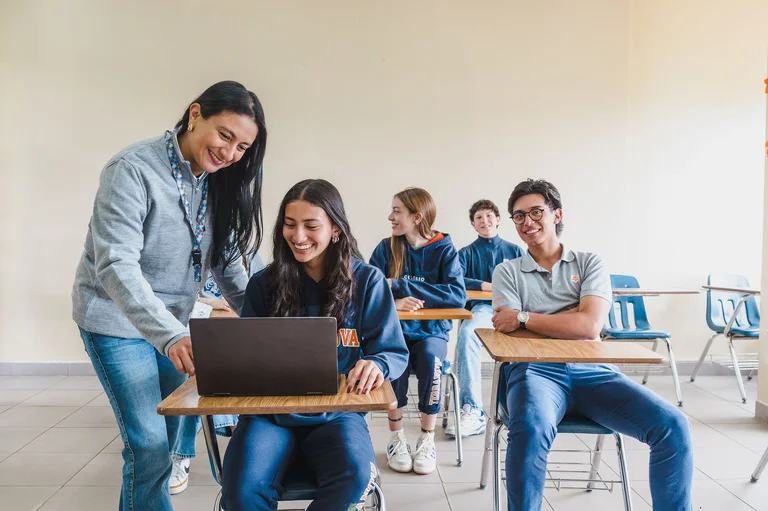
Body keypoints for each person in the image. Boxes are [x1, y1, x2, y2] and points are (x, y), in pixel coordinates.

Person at [71, 81, 267, 510]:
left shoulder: (220, 181)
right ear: (195, 114)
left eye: (242, 147)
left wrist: (269, 326)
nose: (230, 153)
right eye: (225, 136)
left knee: (167, 439)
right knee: (148, 447)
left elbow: (230, 268)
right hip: (115, 320)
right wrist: (171, 335)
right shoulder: (132, 169)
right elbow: (115, 265)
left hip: (175, 325)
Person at [491, 179, 693, 511]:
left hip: (595, 372)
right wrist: (571, 318)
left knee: (673, 426)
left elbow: (589, 326)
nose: (527, 222)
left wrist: (526, 316)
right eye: (518, 216)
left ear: (557, 214)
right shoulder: (507, 271)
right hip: (534, 371)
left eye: (536, 212)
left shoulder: (589, 262)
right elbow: (510, 332)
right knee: (529, 430)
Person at [221, 179, 408, 511]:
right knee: (241, 489)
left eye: (311, 226)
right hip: (269, 414)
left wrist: (377, 363)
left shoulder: (367, 281)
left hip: (337, 414)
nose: (298, 236)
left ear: (335, 228)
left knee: (355, 478)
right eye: (290, 225)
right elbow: (245, 356)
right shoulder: (263, 283)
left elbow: (393, 351)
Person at [369, 187, 466, 475]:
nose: (390, 217)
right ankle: (396, 438)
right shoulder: (386, 248)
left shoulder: (444, 248)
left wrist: (398, 285)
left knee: (430, 358)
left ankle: (426, 439)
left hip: (431, 331)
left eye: (397, 211)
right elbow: (369, 287)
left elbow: (456, 295)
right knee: (393, 361)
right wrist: (395, 301)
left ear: (417, 216)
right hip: (396, 329)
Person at [446, 199, 522, 438]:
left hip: (513, 310)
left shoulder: (515, 251)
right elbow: (455, 280)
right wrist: (485, 285)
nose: (485, 221)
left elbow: (526, 280)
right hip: (481, 310)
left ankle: (516, 408)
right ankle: (473, 410)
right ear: (473, 224)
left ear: (498, 219)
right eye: (479, 218)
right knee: (468, 334)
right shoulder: (465, 253)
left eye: (489, 216)